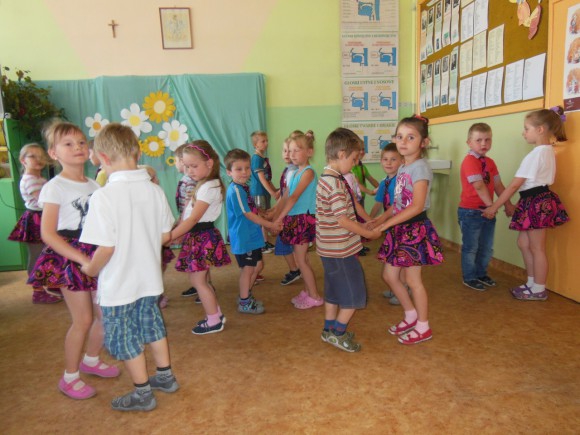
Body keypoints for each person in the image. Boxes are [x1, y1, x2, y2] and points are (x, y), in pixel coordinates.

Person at [80, 123, 178, 412]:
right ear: (137, 152)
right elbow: (165, 235)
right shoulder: (154, 190)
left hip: (119, 285)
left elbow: (106, 248)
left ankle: (142, 393)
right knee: (152, 325)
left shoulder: (103, 196)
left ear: (103, 158)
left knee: (126, 336)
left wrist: (91, 269)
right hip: (150, 280)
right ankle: (166, 377)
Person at [27, 121, 120, 400]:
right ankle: (69, 377)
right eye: (68, 144)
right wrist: (81, 259)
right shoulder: (54, 187)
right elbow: (48, 233)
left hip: (93, 253)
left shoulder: (93, 185)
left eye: (81, 142)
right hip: (69, 257)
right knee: (83, 319)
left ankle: (91, 359)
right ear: (53, 153)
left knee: (104, 315)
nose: (77, 147)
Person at [483, 107, 570, 301]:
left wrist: (495, 206)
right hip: (531, 200)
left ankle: (539, 288)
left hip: (536, 202)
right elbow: (526, 185)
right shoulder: (545, 151)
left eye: (526, 128)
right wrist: (517, 205)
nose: (523, 133)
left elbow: (515, 185)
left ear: (540, 130)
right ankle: (531, 282)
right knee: (523, 243)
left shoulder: (537, 154)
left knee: (537, 248)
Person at [374, 115, 444, 345]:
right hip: (399, 228)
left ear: (424, 142)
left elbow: (416, 206)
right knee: (389, 276)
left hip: (414, 229)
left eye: (411, 137)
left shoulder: (420, 168)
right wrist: (379, 220)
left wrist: (386, 225)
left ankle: (423, 326)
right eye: (400, 136)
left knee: (413, 281)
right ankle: (411, 315)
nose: (403, 142)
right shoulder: (404, 166)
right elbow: (398, 203)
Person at [317, 128, 382, 352]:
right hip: (341, 251)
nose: (355, 164)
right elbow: (343, 220)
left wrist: (366, 223)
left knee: (334, 292)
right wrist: (368, 234)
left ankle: (328, 329)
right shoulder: (335, 184)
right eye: (354, 159)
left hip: (329, 250)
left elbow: (350, 207)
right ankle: (338, 333)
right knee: (354, 294)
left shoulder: (328, 179)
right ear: (342, 154)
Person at [169, 141, 231, 334]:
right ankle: (216, 315)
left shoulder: (208, 187)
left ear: (209, 163)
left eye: (194, 166)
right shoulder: (204, 184)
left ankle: (214, 321)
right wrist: (179, 232)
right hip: (197, 236)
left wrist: (170, 236)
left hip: (201, 237)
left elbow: (194, 218)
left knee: (199, 282)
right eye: (187, 166)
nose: (189, 171)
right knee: (200, 280)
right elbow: (188, 214)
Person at [225, 148, 281, 314]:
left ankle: (245, 295)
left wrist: (263, 213)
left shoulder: (243, 187)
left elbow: (252, 209)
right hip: (244, 237)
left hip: (251, 236)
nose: (244, 172)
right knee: (248, 269)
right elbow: (248, 214)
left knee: (258, 265)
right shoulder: (236, 190)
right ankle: (244, 301)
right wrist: (269, 225)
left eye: (247, 168)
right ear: (229, 172)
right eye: (238, 169)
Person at [458, 123, 514, 291]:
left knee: (486, 247)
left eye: (487, 140)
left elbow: (498, 185)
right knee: (471, 247)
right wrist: (492, 206)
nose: (483, 143)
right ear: (469, 142)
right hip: (470, 212)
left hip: (488, 211)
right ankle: (469, 277)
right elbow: (479, 186)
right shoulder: (469, 161)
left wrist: (508, 204)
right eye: (478, 140)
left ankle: (481, 274)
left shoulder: (490, 162)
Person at [273, 131, 323, 309]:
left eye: (297, 150)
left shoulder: (308, 172)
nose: (292, 154)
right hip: (294, 218)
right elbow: (286, 195)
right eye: (290, 150)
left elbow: (294, 198)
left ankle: (315, 296)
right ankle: (309, 291)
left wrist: (279, 218)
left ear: (309, 152)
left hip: (303, 219)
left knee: (301, 260)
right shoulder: (295, 173)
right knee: (302, 259)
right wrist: (274, 214)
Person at [7, 143, 62, 304]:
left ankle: (52, 284)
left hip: (43, 217)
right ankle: (38, 291)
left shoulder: (39, 179)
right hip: (36, 219)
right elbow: (44, 202)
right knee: (37, 255)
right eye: (32, 156)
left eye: (41, 156)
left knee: (50, 253)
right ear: (23, 160)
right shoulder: (31, 180)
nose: (38, 159)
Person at [369, 143, 408, 305]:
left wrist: (379, 222)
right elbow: (378, 203)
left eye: (393, 159)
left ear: (402, 161)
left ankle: (403, 289)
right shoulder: (384, 182)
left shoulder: (400, 181)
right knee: (392, 259)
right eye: (385, 159)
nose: (389, 163)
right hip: (390, 227)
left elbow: (395, 207)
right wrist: (369, 220)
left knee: (400, 261)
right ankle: (395, 287)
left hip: (401, 226)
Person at [139, 164, 173, 309]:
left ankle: (158, 293)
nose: (157, 180)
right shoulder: (140, 198)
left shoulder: (157, 194)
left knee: (160, 267)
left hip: (160, 240)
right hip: (148, 242)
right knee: (150, 270)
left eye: (156, 177)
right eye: (153, 178)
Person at [268, 137, 301, 286]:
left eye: (292, 151)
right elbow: (283, 194)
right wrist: (274, 209)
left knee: (284, 243)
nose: (288, 154)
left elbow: (288, 197)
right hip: (287, 213)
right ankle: (298, 268)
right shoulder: (288, 170)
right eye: (285, 150)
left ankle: (295, 270)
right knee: (294, 246)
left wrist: (276, 217)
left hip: (290, 214)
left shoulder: (293, 171)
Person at [173, 144, 198, 299]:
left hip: (190, 224)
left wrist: (182, 224)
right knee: (191, 257)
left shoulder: (190, 181)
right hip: (186, 221)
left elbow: (189, 204)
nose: (175, 164)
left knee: (195, 257)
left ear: (182, 161)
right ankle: (197, 285)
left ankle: (203, 285)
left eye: (175, 161)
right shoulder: (185, 179)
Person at [249, 131, 278, 254]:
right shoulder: (256, 158)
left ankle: (265, 242)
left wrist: (274, 190)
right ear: (255, 144)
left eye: (267, 141)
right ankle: (261, 243)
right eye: (263, 141)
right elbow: (261, 178)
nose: (266, 143)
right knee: (261, 218)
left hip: (264, 192)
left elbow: (267, 178)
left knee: (265, 215)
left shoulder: (262, 158)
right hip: (258, 192)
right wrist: (272, 192)